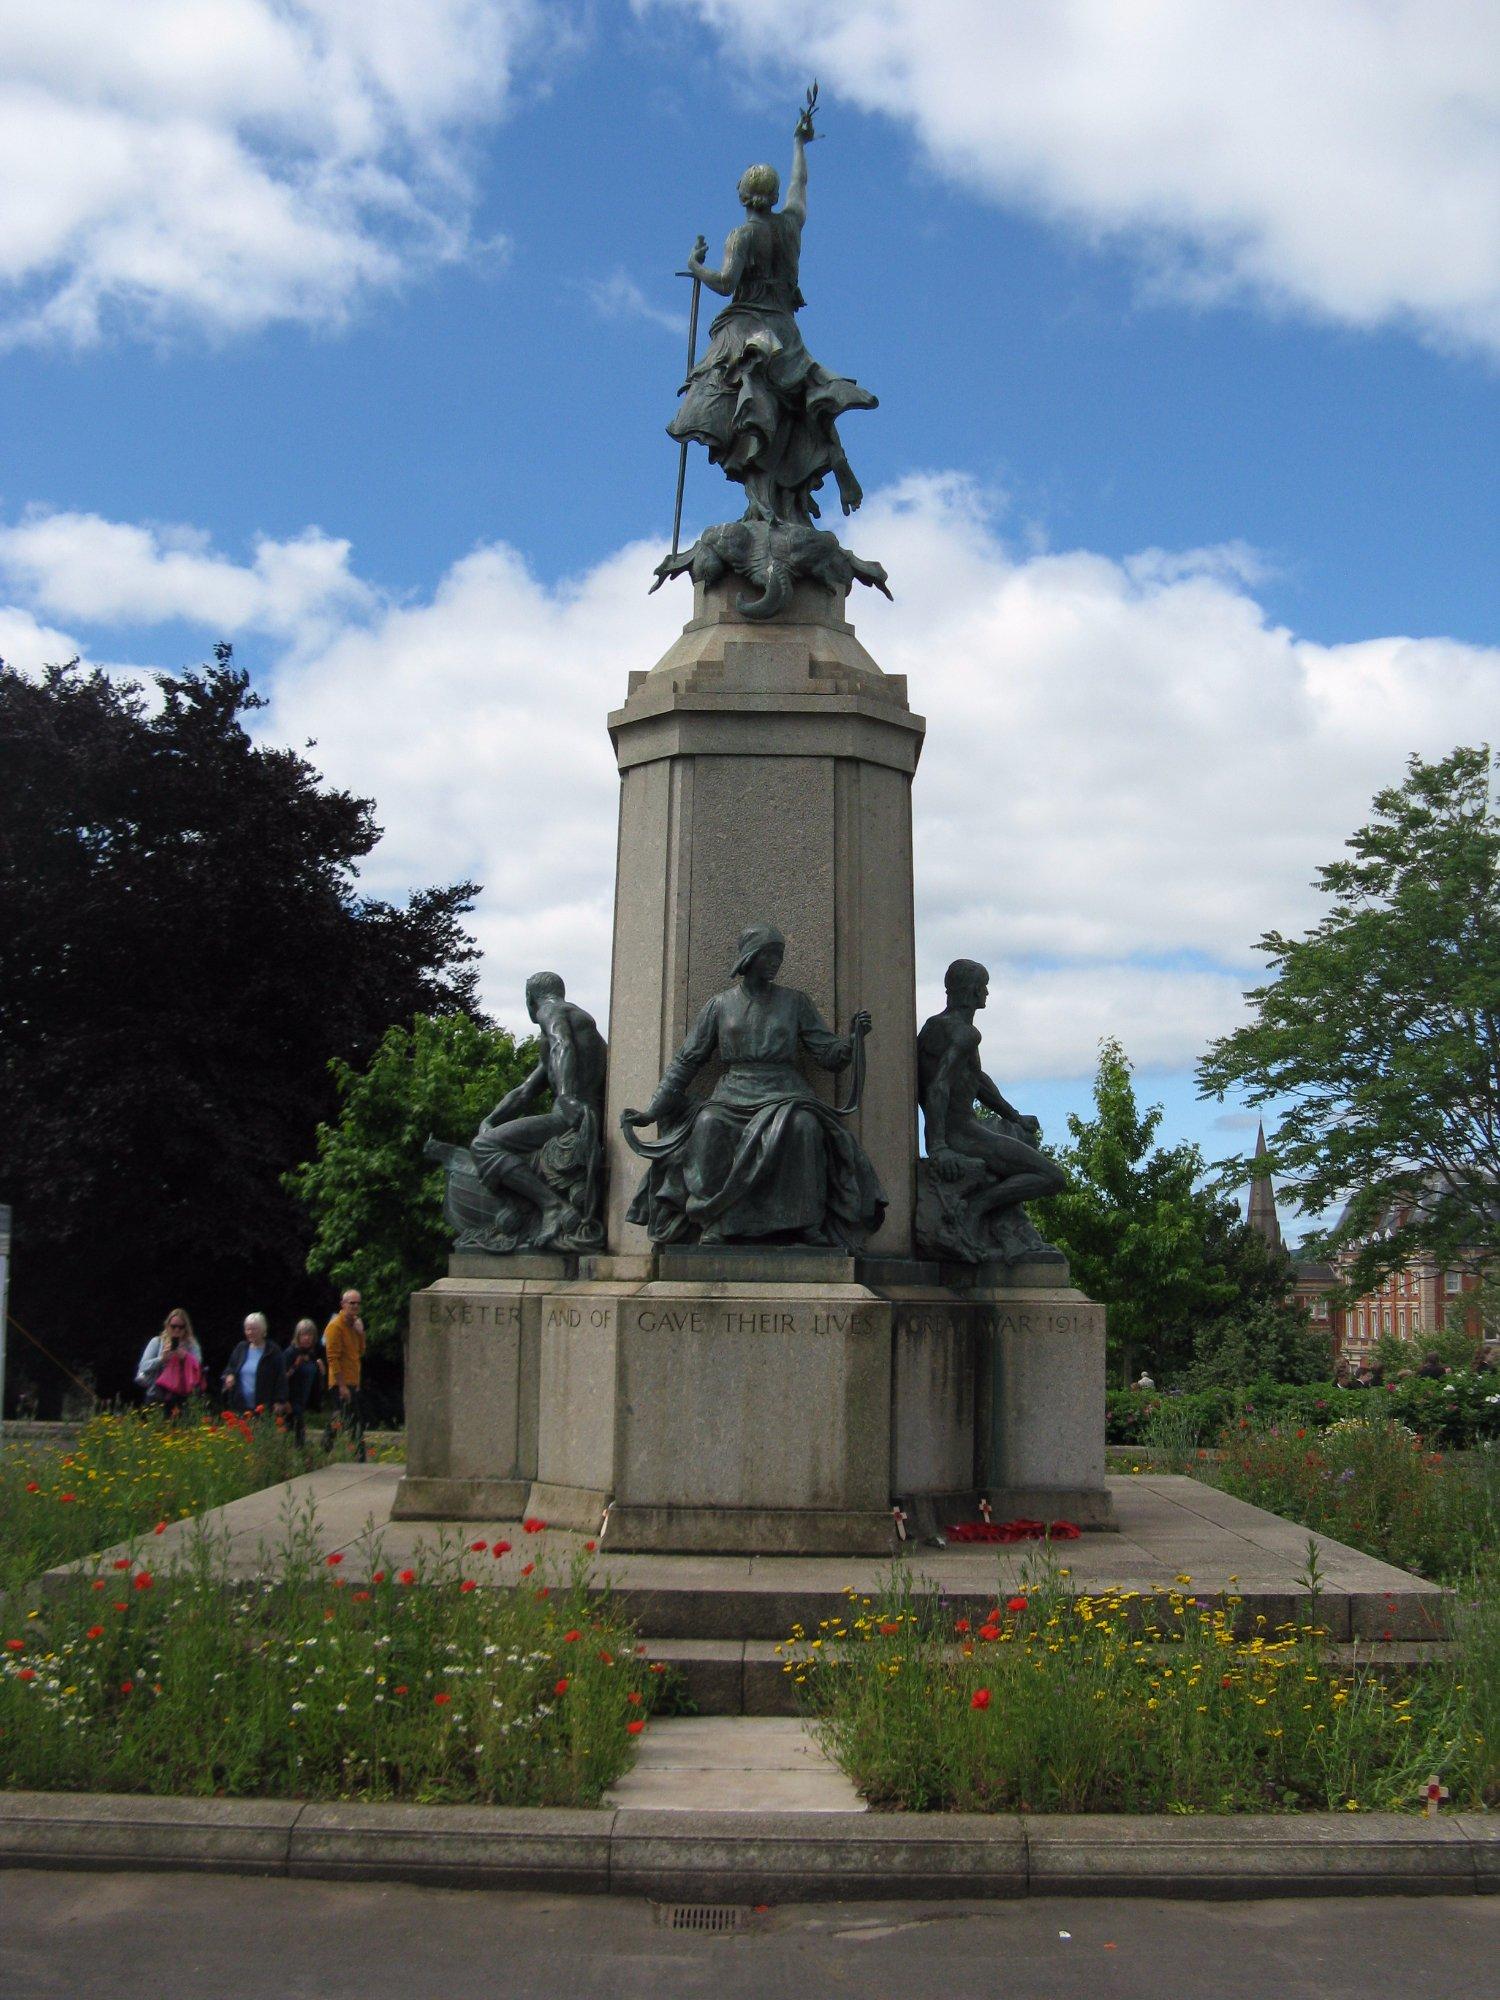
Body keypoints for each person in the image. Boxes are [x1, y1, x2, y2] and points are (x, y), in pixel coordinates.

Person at [670, 94, 877, 529]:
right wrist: (799, 146)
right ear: (772, 194)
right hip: (787, 331)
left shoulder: (742, 235)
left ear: (743, 194)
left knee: (741, 411)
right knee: (797, 408)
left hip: (748, 329)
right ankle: (815, 475)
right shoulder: (790, 227)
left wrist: (695, 267)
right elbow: (800, 189)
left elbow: (726, 284)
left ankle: (761, 502)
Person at [622, 922, 885, 1248]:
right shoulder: (720, 1005)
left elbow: (828, 1055)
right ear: (750, 957)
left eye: (779, 955)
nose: (776, 961)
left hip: (785, 1091)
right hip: (733, 1091)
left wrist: (852, 1040)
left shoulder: (795, 1002)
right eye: (769, 954)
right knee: (708, 1124)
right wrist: (651, 1112)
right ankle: (716, 1220)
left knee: (804, 1127)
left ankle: (804, 1222)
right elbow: (686, 1062)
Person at [914, 958, 1068, 1265]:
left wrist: (1014, 1116)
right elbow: (938, 1087)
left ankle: (1007, 1231)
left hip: (964, 1128)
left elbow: (977, 1081)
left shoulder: (936, 1026)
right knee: (1052, 1177)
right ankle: (976, 1211)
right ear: (971, 991)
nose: (986, 993)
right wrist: (939, 1146)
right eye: (983, 986)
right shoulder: (964, 1034)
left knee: (1019, 1133)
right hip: (962, 1134)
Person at [323, 1288, 367, 1461]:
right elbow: (332, 1358)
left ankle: (327, 1449)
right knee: (347, 1419)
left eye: (358, 1303)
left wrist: (361, 1332)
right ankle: (358, 1456)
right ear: (343, 1305)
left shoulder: (355, 1325)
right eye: (351, 1303)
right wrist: (341, 1386)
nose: (355, 1306)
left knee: (346, 1419)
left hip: (353, 1381)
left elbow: (360, 1352)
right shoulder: (335, 1326)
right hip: (340, 1382)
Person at [136, 1309, 204, 1417]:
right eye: (173, 1326)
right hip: (156, 1396)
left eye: (181, 1327)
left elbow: (198, 1368)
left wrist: (185, 1358)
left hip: (182, 1398)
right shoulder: (157, 1342)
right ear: (167, 1326)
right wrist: (161, 1359)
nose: (177, 1330)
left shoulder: (192, 1346)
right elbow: (143, 1366)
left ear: (186, 1328)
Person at [220, 1313, 288, 1416]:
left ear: (263, 1330)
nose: (250, 1332)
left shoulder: (273, 1351)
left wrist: (280, 1400)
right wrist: (229, 1376)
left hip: (264, 1407)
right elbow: (230, 1368)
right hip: (240, 1406)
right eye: (248, 1329)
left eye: (254, 1329)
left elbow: (281, 1377)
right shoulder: (241, 1348)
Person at [285, 1319, 325, 1448]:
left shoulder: (312, 1354)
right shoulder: (290, 1353)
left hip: (303, 1401)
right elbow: (281, 1378)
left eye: (310, 1335)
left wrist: (322, 1372)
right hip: (290, 1401)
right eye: (303, 1334)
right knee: (295, 1436)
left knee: (299, 1436)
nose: (307, 1338)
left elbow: (315, 1379)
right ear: (298, 1336)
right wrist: (284, 1401)